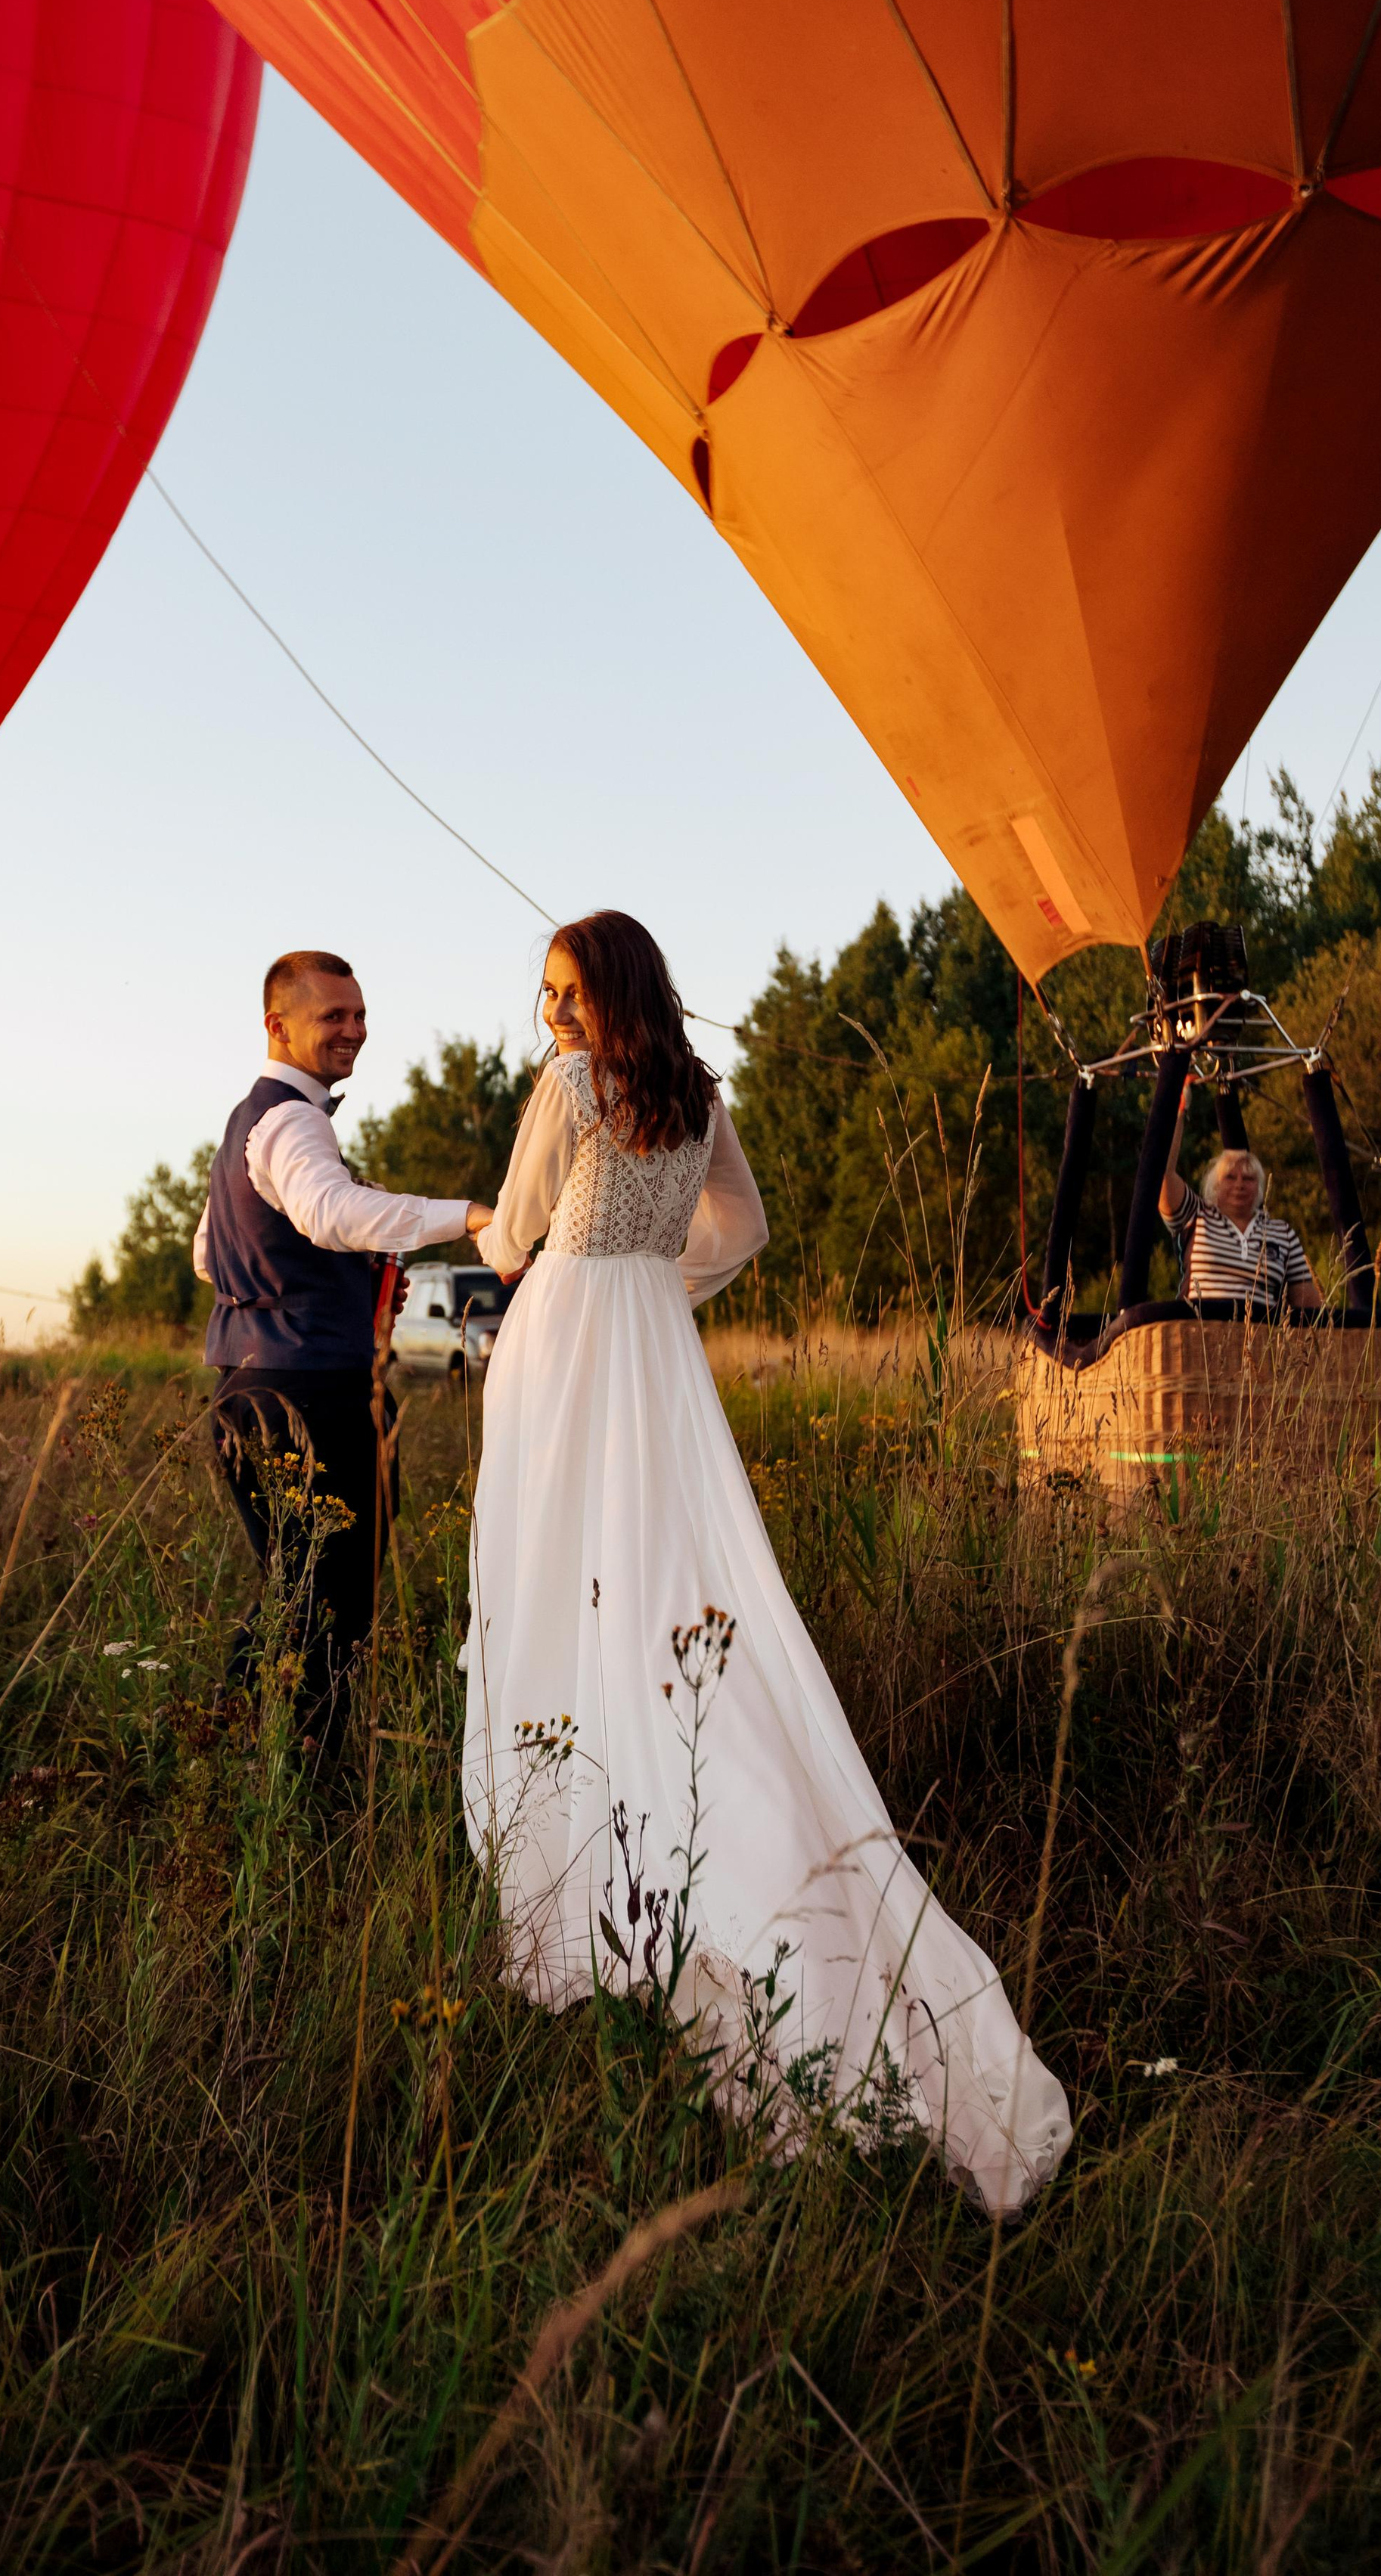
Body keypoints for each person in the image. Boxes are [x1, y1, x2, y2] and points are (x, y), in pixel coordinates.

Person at [462, 911, 1072, 2218]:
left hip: (563, 1345)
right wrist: (656, 1282)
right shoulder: (694, 1090)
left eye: (570, 991)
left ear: (609, 992)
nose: (554, 1012)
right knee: (668, 1580)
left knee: (559, 1589)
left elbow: (510, 1238)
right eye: (547, 992)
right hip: (650, 1349)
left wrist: (567, 1260)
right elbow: (744, 1230)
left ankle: (589, 1876)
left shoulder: (568, 1085)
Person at [194, 949, 492, 1760]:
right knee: (334, 1601)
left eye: (359, 1014)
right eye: (334, 1016)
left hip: (241, 1389)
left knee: (296, 1590)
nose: (355, 1030)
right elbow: (330, 1213)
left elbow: (209, 1255)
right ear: (278, 1025)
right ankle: (307, 1778)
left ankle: (230, 1750)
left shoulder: (245, 1124)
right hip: (314, 1394)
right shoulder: (295, 1120)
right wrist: (469, 1215)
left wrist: (346, 1276)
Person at [1159, 1086, 1322, 1314]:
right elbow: (1163, 1175)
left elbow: (1310, 1307)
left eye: (1248, 1178)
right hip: (1201, 1331)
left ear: (1260, 1187)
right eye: (1230, 1177)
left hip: (1259, 1333)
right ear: (1215, 1186)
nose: (1239, 1184)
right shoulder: (1197, 1216)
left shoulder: (1282, 1233)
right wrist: (1179, 1112)